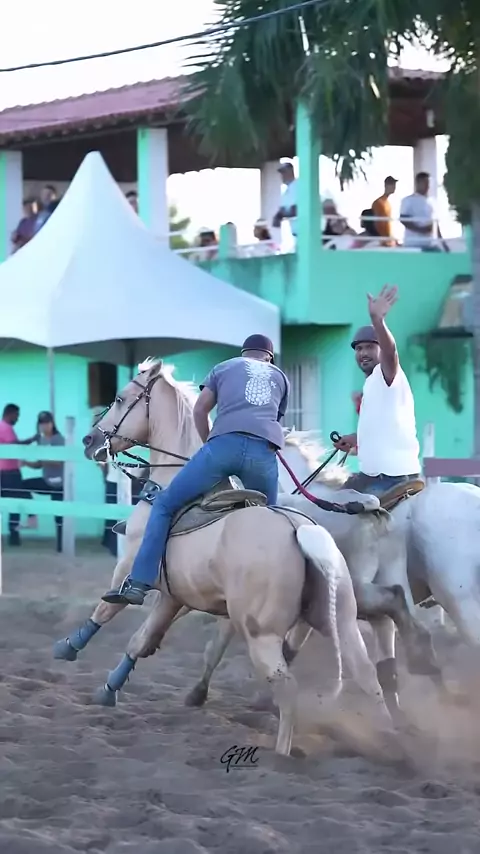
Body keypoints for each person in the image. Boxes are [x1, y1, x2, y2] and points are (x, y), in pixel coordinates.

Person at [102, 334, 290, 606]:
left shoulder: (224, 367)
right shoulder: (281, 378)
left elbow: (200, 410)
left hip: (222, 448)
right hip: (262, 455)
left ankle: (139, 582)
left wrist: (209, 443)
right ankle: (273, 589)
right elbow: (273, 422)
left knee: (164, 504)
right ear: (269, 358)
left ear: (243, 353)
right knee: (272, 520)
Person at [333, 286, 422, 497]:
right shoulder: (372, 382)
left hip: (392, 478)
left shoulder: (388, 373)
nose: (363, 353)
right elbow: (384, 431)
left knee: (340, 511)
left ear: (381, 349)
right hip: (371, 475)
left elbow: (391, 351)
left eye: (370, 347)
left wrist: (378, 321)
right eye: (359, 348)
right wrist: (355, 439)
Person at [22, 411, 65, 552]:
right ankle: (32, 518)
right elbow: (40, 464)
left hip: (59, 483)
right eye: (42, 423)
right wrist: (26, 463)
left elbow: (59, 463)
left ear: (52, 423)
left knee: (59, 517)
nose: (44, 426)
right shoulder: (41, 440)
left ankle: (61, 546)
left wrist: (43, 458)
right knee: (23, 485)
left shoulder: (59, 439)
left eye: (47, 423)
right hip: (47, 481)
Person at [0, 404, 36, 546]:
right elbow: (15, 446)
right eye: (16, 415)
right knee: (16, 503)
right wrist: (31, 440)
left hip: (6, 472)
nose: (17, 419)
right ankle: (14, 535)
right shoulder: (6, 428)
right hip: (9, 473)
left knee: (13, 502)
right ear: (10, 413)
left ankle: (14, 535)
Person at [400, 172, 449, 252]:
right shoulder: (408, 200)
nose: (427, 186)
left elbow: (435, 224)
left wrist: (443, 244)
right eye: (424, 183)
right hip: (413, 244)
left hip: (430, 243)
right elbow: (404, 219)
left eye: (428, 183)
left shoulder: (432, 202)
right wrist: (421, 230)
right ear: (417, 183)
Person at [272, 161, 298, 240]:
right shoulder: (286, 192)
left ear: (290, 172)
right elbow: (283, 209)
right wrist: (278, 215)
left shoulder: (299, 186)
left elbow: (296, 208)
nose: (282, 176)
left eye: (284, 172)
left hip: (304, 230)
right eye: (281, 173)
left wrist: (283, 214)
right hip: (294, 232)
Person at [371, 176, 397, 245]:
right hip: (381, 239)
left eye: (394, 184)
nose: (394, 186)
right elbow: (376, 222)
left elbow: (388, 223)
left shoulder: (388, 203)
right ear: (385, 185)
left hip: (388, 239)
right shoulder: (378, 203)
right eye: (391, 184)